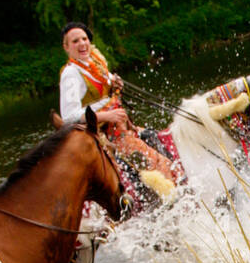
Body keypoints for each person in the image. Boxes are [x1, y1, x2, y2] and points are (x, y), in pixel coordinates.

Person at [58, 22, 174, 193]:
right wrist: (107, 116)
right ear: (66, 47)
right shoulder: (71, 74)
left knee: (150, 136)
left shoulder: (94, 60)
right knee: (146, 159)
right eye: (75, 41)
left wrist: (115, 82)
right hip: (102, 132)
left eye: (84, 39)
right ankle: (157, 194)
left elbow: (106, 81)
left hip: (119, 125)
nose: (82, 43)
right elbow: (68, 116)